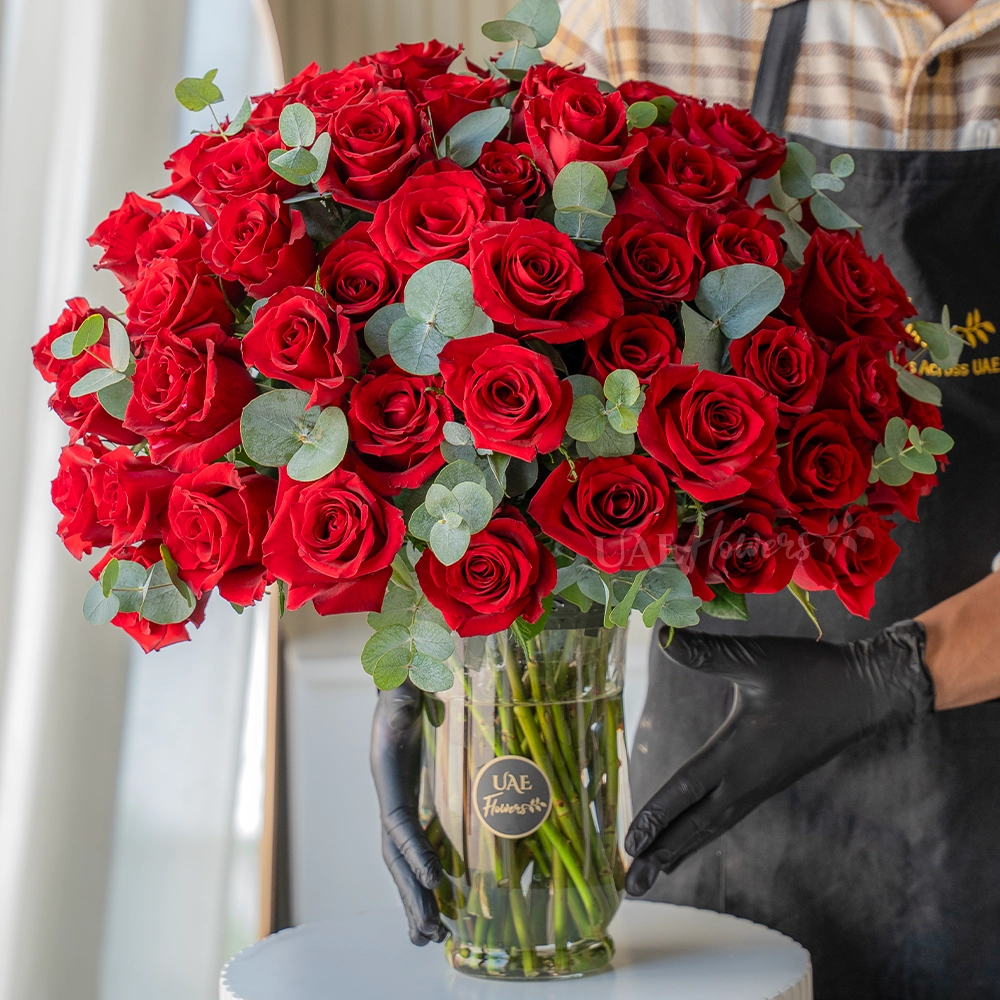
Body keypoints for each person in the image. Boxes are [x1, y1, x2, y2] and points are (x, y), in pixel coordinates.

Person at [371, 0, 1000, 996]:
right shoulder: (649, 23)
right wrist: (438, 651)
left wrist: (891, 676)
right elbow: (485, 358)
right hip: (713, 798)